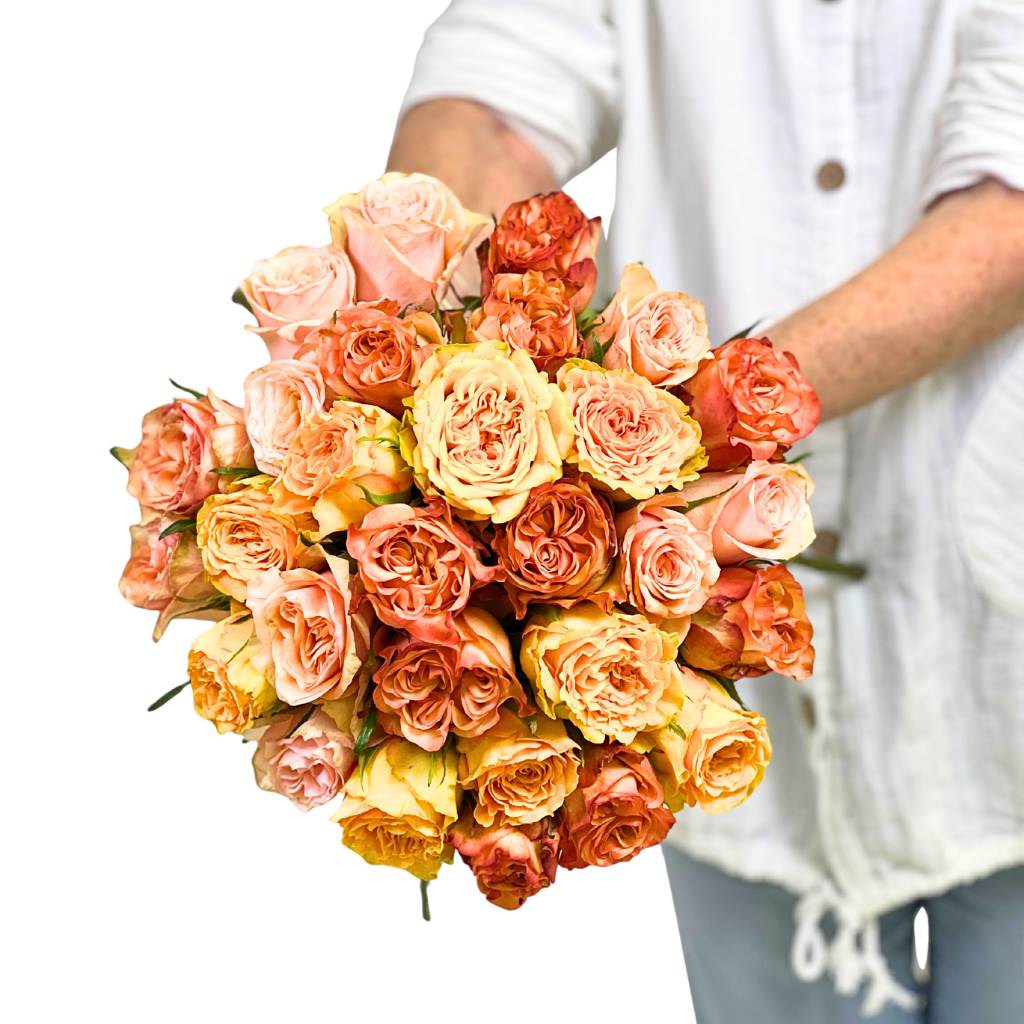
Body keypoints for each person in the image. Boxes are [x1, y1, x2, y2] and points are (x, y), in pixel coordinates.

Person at [385, 2, 1024, 1021]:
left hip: (993, 624)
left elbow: (1012, 208)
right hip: (709, 686)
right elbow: (493, 98)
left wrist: (652, 428)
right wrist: (439, 360)